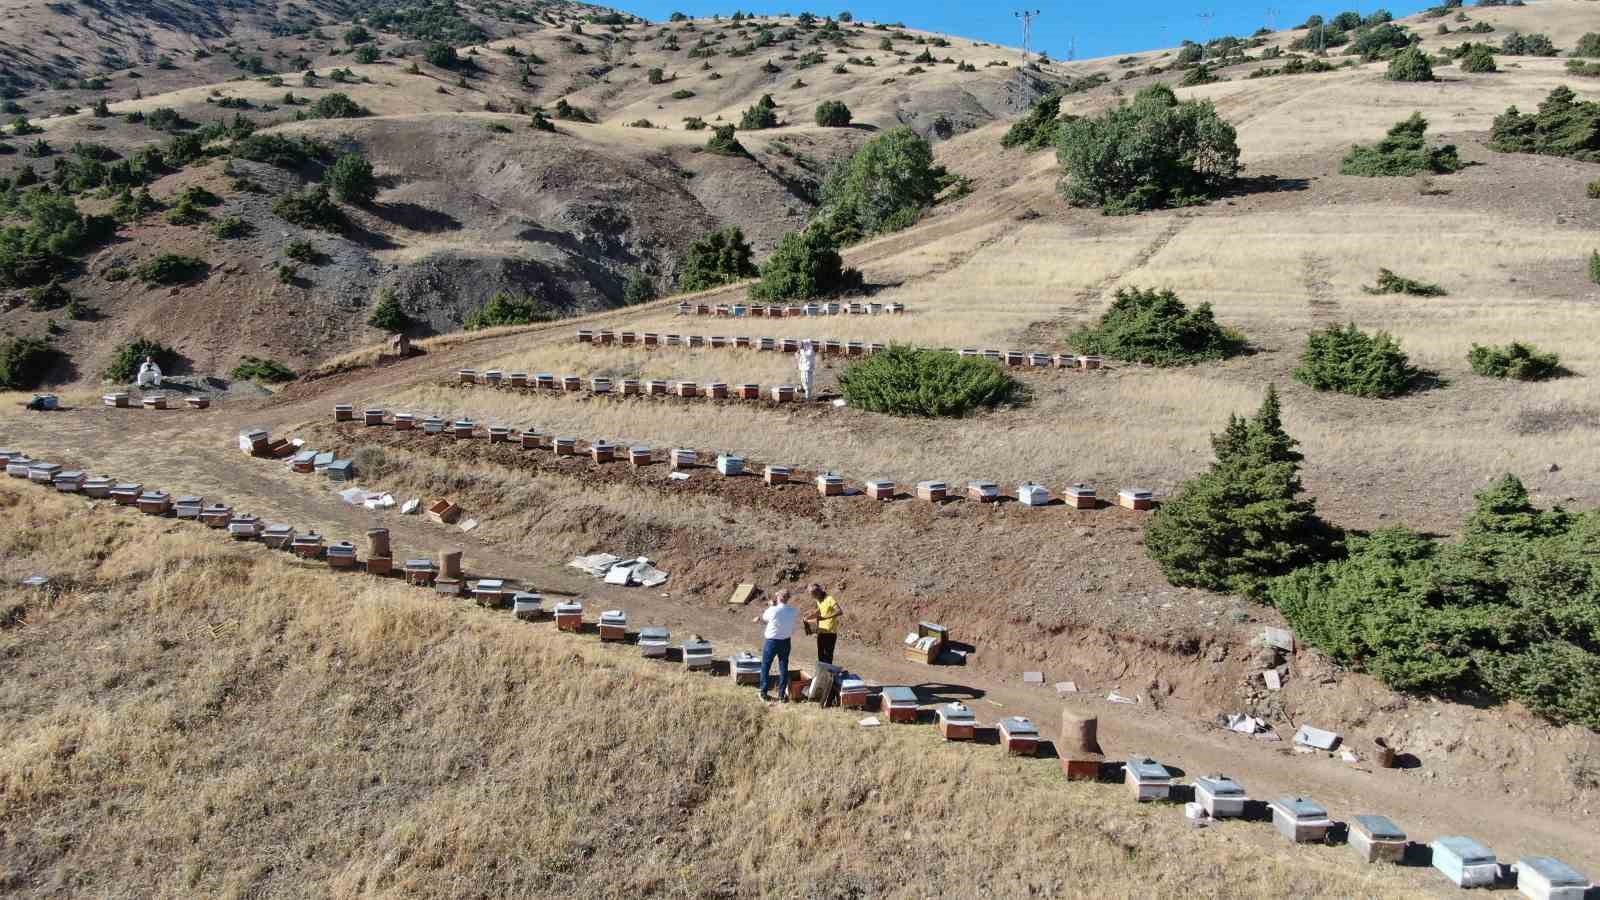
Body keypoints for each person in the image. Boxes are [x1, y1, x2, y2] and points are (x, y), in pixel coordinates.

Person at [752, 590, 798, 702]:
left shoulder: (772, 610)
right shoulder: (793, 611)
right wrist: (773, 606)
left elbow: (764, 617)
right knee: (783, 668)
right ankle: (782, 695)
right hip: (786, 642)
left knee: (766, 666)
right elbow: (776, 619)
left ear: (778, 598)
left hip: (771, 642)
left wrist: (771, 606)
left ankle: (763, 692)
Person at [802, 582, 842, 664]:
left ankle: (827, 676)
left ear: (819, 591)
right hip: (821, 631)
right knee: (820, 656)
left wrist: (825, 618)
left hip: (830, 632)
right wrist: (809, 616)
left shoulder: (829, 599)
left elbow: (839, 611)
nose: (813, 596)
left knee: (828, 657)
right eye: (811, 595)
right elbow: (819, 610)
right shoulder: (818, 600)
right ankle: (822, 675)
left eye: (813, 594)